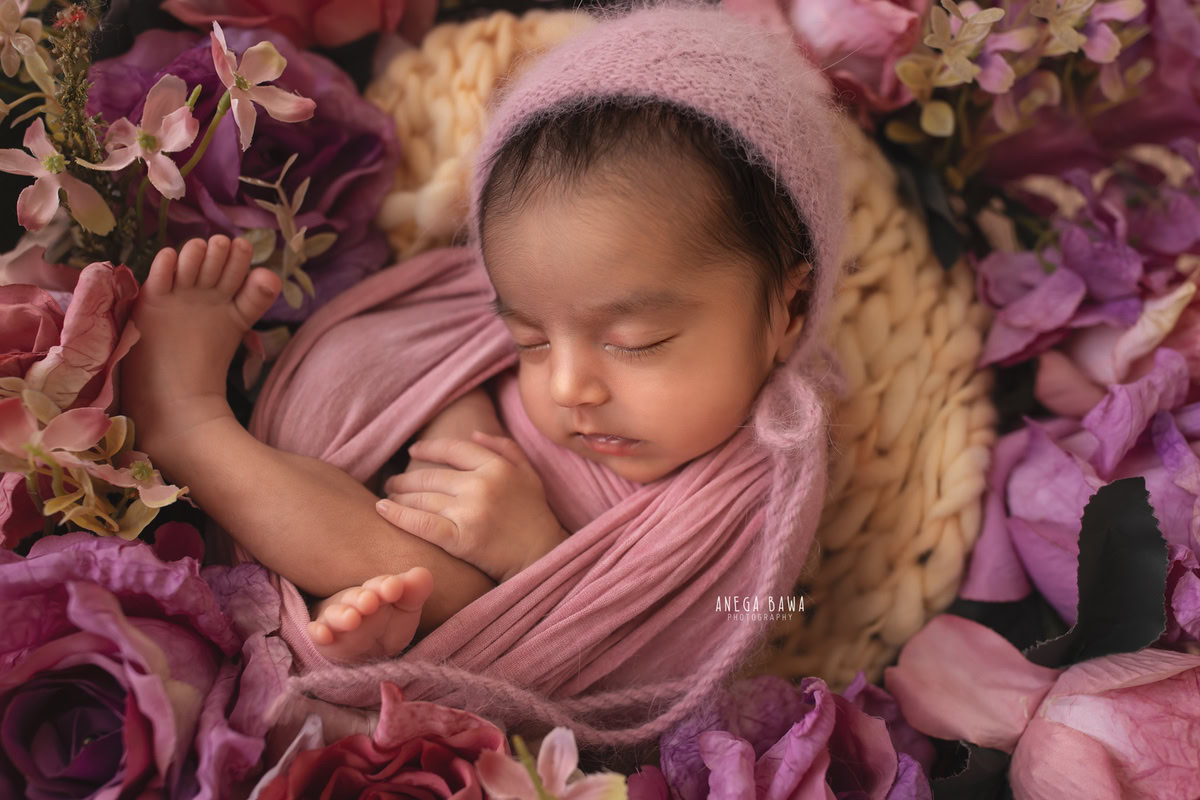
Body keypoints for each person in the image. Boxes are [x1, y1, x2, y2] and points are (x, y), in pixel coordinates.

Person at [120, 0, 846, 746]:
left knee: (431, 576)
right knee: (398, 388)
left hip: (487, 636)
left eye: (637, 341)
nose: (567, 388)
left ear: (788, 307)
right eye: (529, 336)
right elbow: (447, 371)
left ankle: (191, 424)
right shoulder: (496, 335)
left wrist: (529, 551)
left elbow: (667, 651)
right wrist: (461, 428)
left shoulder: (762, 486)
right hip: (383, 482)